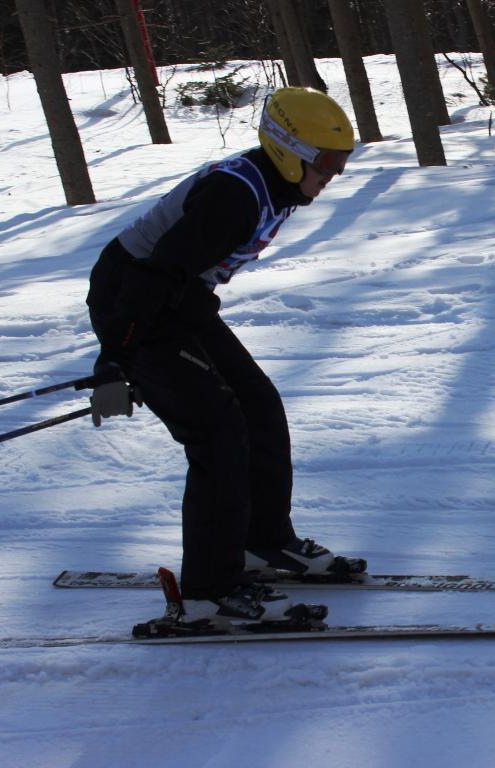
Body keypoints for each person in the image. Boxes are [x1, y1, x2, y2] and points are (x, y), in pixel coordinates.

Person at [85, 87, 362, 626]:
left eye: (341, 163)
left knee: (258, 405)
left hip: (177, 301)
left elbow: (179, 274)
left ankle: (263, 542)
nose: (335, 175)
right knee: (217, 434)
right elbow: (149, 275)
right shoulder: (233, 197)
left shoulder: (275, 184)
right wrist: (117, 360)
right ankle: (210, 588)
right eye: (327, 162)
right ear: (288, 150)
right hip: (136, 303)